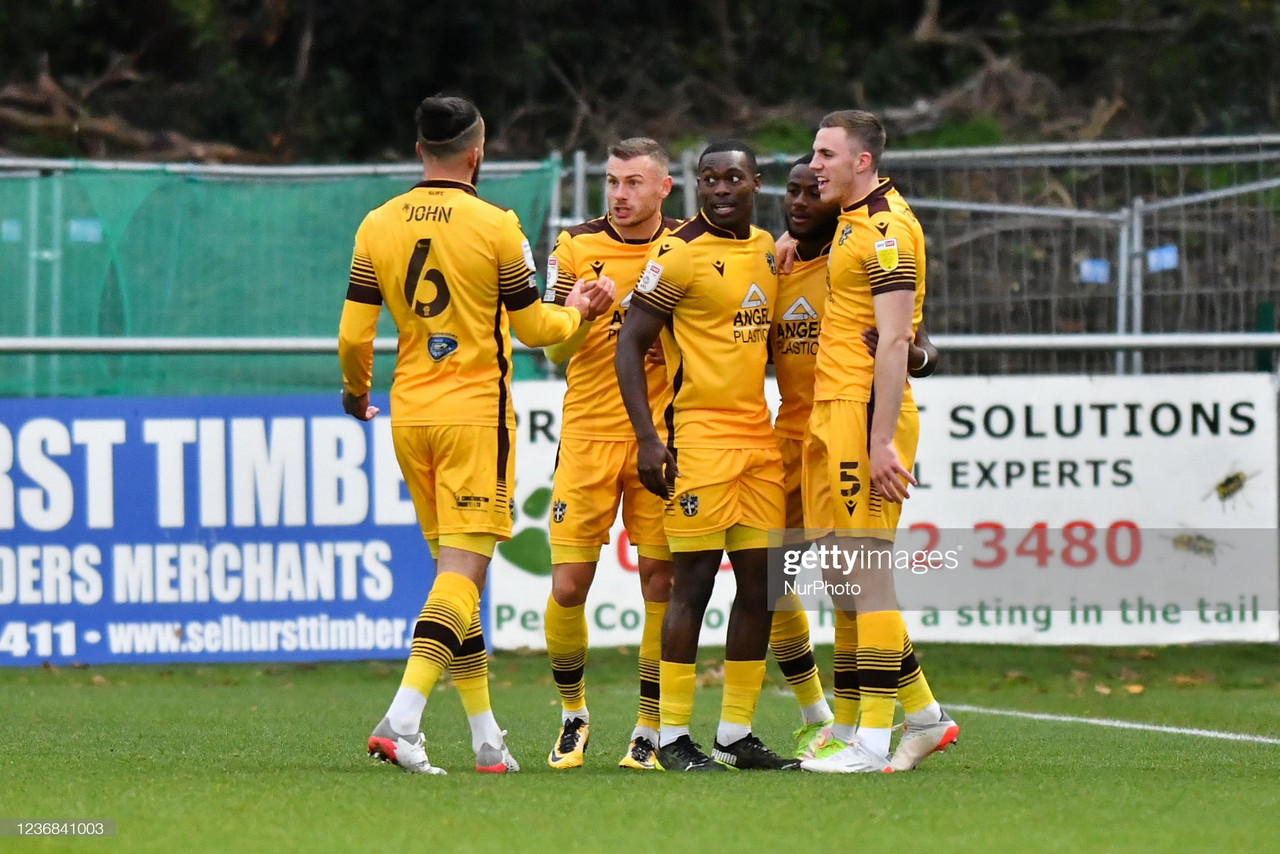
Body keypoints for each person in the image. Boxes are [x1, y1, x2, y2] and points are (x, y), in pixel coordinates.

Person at [338, 94, 614, 775]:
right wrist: (576, 309)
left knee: (450, 580)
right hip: (475, 417)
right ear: (477, 152)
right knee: (463, 576)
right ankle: (401, 720)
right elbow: (534, 330)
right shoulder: (496, 225)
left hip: (410, 414)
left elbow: (353, 334)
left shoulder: (377, 224)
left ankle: (487, 740)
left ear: (418, 150)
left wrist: (355, 392)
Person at [615, 140, 796, 772]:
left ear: (755, 182)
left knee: (761, 586)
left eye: (733, 178)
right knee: (690, 585)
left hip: (759, 439)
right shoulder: (677, 253)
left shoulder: (766, 250)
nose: (720, 189)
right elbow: (629, 345)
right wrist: (646, 438)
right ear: (696, 186)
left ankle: (734, 735)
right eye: (709, 179)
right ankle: (668, 738)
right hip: (697, 440)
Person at [797, 110, 959, 774]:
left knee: (867, 574)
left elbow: (897, 341)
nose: (815, 166)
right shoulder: (854, 222)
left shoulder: (890, 231)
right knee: (841, 574)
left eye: (826, 154)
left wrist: (882, 439)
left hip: (864, 415)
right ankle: (924, 719)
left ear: (861, 162)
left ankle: (871, 739)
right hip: (833, 410)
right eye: (813, 152)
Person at [539, 138, 680, 771]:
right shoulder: (574, 247)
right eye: (612, 182)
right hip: (588, 436)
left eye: (632, 183)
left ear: (663, 189)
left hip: (659, 439)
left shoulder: (685, 246)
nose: (619, 195)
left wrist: (668, 342)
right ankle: (574, 716)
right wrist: (576, 315)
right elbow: (553, 353)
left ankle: (649, 725)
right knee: (569, 585)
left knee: (661, 582)